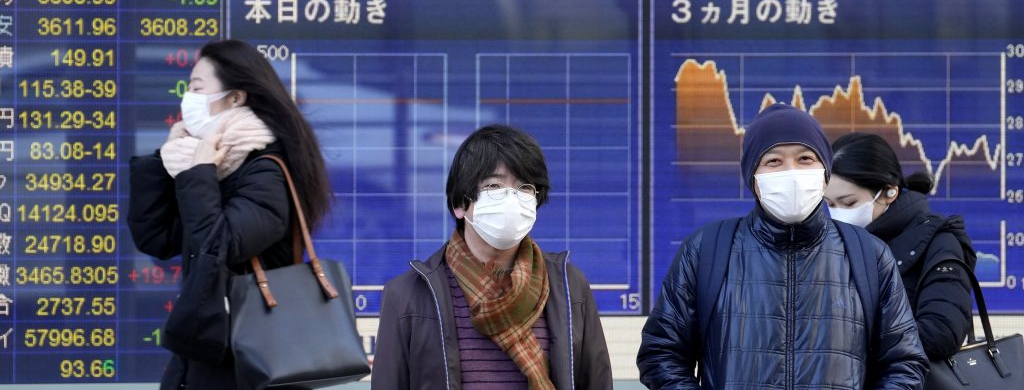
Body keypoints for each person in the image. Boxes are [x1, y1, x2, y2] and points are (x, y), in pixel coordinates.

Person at [637, 103, 928, 389]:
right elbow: (661, 353)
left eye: (805, 159)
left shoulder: (869, 255)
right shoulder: (706, 251)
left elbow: (904, 363)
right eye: (773, 161)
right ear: (753, 177)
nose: (791, 171)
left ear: (825, 172)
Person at [128, 39, 332, 390]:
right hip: (210, 354)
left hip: (249, 364)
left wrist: (200, 173)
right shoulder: (215, 168)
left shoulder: (264, 172)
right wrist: (164, 159)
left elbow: (218, 243)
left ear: (235, 98)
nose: (187, 99)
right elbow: (157, 239)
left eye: (196, 88)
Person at [372, 124, 613, 389]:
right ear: (460, 205)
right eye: (494, 185)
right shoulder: (408, 294)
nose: (512, 199)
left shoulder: (569, 285)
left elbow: (596, 382)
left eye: (524, 188)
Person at [826, 131, 976, 360]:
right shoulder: (834, 243)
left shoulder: (939, 242)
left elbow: (941, 333)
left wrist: (845, 338)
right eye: (830, 204)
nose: (838, 213)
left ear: (889, 192)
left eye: (849, 202)